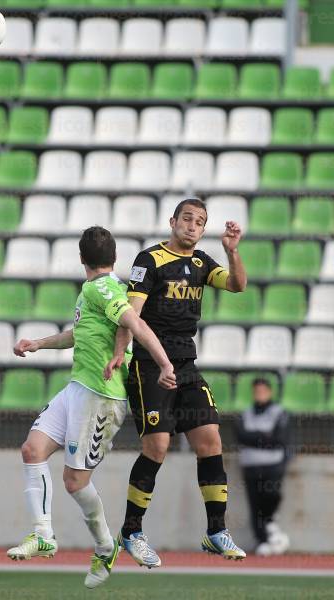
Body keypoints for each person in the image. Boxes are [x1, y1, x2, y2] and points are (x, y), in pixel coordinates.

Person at [6, 226, 176, 589]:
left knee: (74, 481)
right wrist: (38, 343)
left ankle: (104, 546)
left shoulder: (103, 288)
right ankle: (43, 535)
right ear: (112, 258)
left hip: (101, 395)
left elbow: (134, 322)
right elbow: (78, 332)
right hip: (77, 388)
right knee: (32, 449)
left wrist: (164, 364)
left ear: (81, 258)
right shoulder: (95, 291)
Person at [104, 198, 247, 567]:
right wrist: (121, 352)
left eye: (200, 221)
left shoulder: (202, 263)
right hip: (150, 364)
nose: (193, 225)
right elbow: (130, 316)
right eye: (187, 218)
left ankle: (216, 531)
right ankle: (131, 530)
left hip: (186, 364)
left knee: (211, 439)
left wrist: (232, 252)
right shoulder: (149, 260)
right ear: (173, 221)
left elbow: (236, 285)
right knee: (158, 446)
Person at [236, 378, 290, 556]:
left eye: (262, 390)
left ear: (270, 392)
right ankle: (263, 541)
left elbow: (279, 439)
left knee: (271, 495)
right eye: (256, 391)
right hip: (250, 466)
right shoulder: (245, 413)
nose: (259, 394)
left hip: (272, 465)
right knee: (254, 504)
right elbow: (241, 436)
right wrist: (264, 436)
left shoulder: (279, 412)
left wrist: (254, 437)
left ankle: (270, 523)